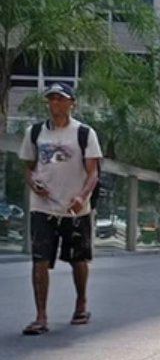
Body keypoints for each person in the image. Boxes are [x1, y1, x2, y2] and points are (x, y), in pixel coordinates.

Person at [18, 82, 102, 335]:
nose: (55, 103)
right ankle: (41, 317)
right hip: (43, 207)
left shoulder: (84, 133)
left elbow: (93, 172)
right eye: (51, 99)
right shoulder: (35, 133)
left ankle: (80, 304)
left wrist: (81, 196)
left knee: (78, 259)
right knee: (39, 260)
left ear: (71, 103)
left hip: (76, 208)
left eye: (60, 99)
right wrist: (33, 183)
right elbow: (28, 168)